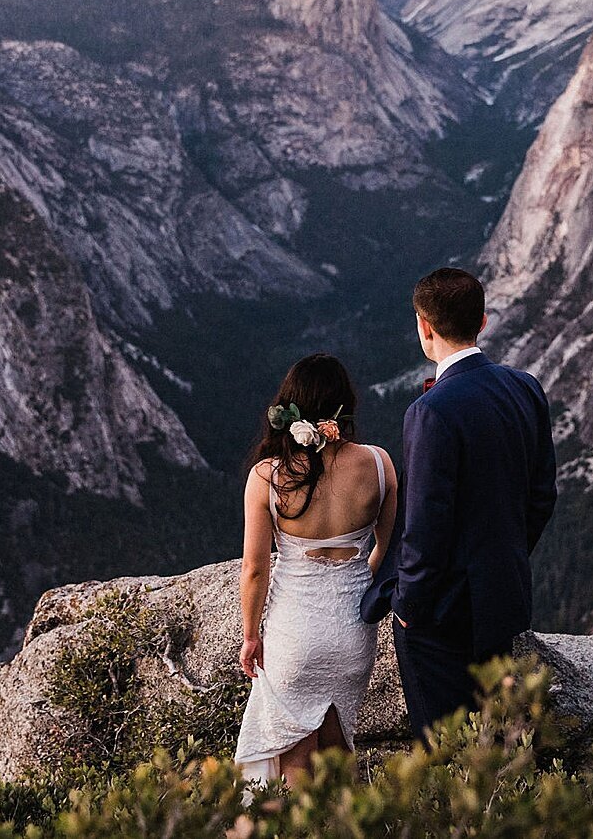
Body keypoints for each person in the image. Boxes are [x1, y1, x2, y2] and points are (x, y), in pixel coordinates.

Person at [360, 267, 557, 736]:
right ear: (483, 322)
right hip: (504, 603)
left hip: (440, 619)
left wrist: (408, 605)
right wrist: (501, 557)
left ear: (424, 328)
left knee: (446, 755)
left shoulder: (430, 411)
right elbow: (542, 495)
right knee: (495, 750)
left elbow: (425, 525)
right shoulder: (526, 388)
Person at [234, 353, 399, 781]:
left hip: (294, 632)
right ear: (345, 406)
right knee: (341, 752)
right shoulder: (380, 466)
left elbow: (254, 568)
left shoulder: (269, 475)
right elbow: (389, 550)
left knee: (294, 762)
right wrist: (360, 576)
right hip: (352, 632)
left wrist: (251, 636)